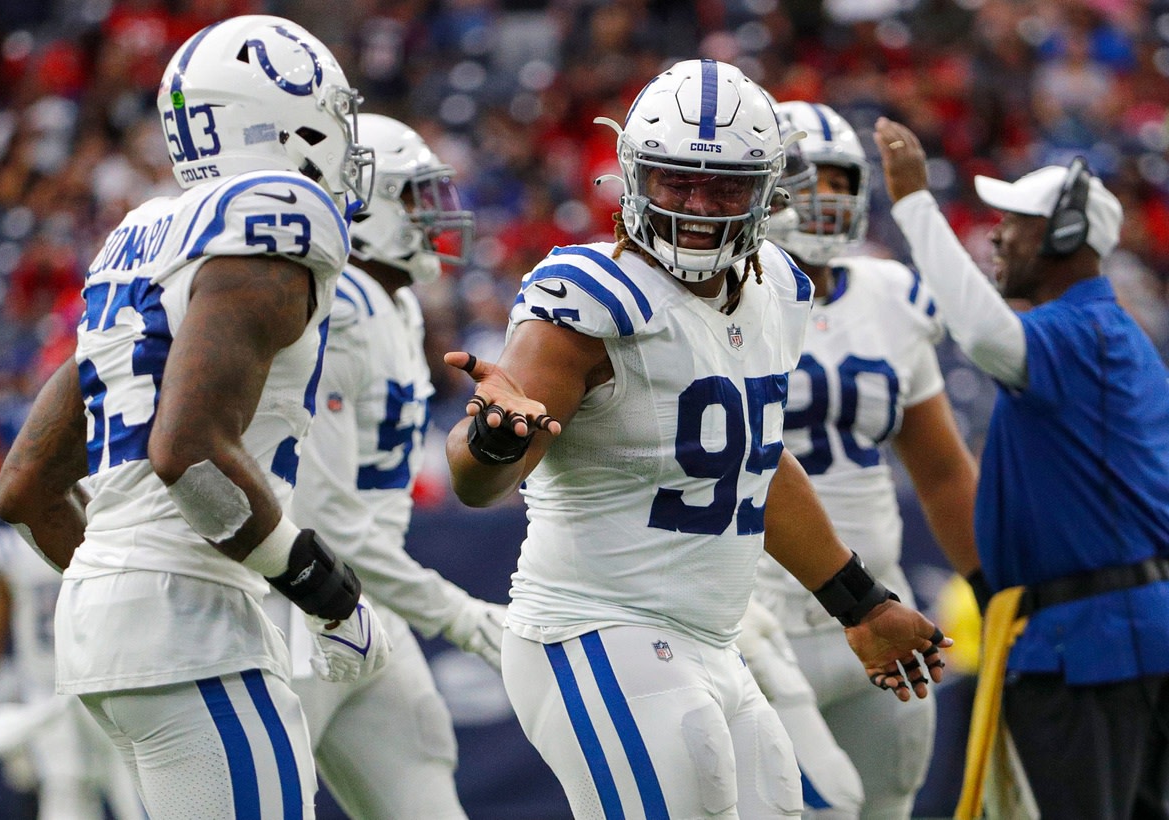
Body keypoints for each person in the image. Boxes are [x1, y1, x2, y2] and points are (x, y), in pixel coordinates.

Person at [443, 59, 951, 819]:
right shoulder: (589, 294)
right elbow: (478, 484)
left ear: (768, 191)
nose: (697, 207)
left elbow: (758, 464)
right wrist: (493, 440)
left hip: (713, 639)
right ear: (632, 176)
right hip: (596, 628)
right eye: (676, 181)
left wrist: (863, 605)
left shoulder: (778, 287)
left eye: (724, 187)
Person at [0, 16, 390, 819]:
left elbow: (27, 486)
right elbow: (186, 452)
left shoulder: (144, 236)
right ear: (280, 120)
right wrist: (327, 592)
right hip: (191, 624)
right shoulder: (277, 218)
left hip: (105, 622)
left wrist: (125, 584)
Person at [875, 117, 1169, 820]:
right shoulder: (1101, 333)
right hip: (1114, 632)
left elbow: (981, 333)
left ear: (1067, 236)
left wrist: (917, 203)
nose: (998, 235)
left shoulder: (1079, 332)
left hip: (1091, 643)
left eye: (1019, 222)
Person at [739, 101, 983, 820]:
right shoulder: (719, 295)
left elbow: (940, 471)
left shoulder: (891, 293)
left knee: (886, 807)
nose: (830, 197)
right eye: (808, 178)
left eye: (843, 180)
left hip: (885, 603)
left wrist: (991, 585)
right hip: (756, 616)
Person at [266, 112, 504, 819]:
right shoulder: (339, 304)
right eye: (415, 199)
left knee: (423, 772)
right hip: (291, 610)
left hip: (359, 600)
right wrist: (460, 616)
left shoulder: (390, 304)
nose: (436, 217)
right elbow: (326, 518)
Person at [0, 523, 144, 820]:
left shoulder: (103, 533)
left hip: (104, 684)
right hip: (49, 691)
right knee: (66, 792)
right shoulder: (11, 548)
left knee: (132, 789)